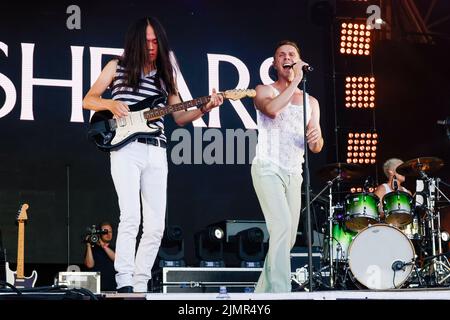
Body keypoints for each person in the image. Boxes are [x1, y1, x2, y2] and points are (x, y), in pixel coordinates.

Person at [82, 17, 223, 293]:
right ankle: (123, 280)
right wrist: (111, 104)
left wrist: (205, 107)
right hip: (125, 148)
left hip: (157, 149)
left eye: (155, 41)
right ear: (135, 41)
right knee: (131, 216)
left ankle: (139, 282)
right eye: (146, 41)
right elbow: (88, 99)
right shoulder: (117, 66)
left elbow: (180, 116)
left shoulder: (165, 74)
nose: (151, 46)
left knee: (156, 224)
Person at [251, 40, 323, 293]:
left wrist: (315, 140)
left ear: (299, 59)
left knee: (288, 237)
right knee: (280, 226)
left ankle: (261, 296)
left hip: (295, 172)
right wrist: (295, 81)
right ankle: (282, 294)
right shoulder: (264, 90)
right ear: (274, 63)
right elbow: (271, 110)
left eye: (291, 54)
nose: (287, 57)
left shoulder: (311, 102)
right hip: (268, 167)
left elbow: (317, 144)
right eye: (281, 55)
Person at [84, 222, 116, 291]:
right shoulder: (93, 249)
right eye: (105, 232)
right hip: (96, 288)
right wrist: (88, 245)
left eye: (110, 231)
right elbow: (89, 265)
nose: (108, 234)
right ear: (100, 233)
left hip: (113, 289)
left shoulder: (115, 249)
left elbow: (116, 259)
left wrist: (102, 245)